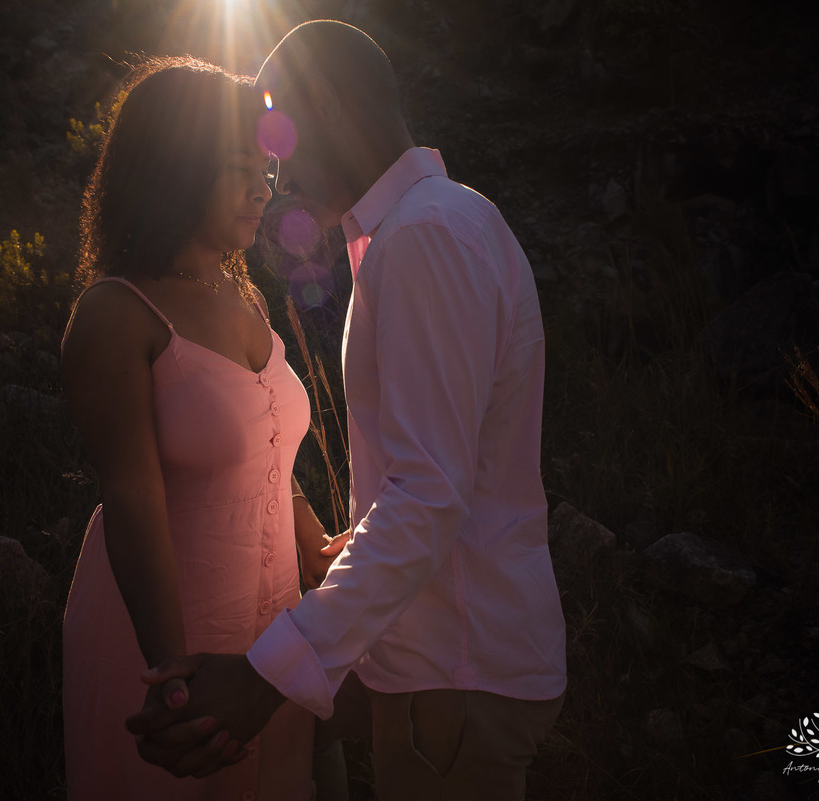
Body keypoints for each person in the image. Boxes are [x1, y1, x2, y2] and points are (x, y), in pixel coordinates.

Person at [130, 20, 567, 801]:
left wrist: (268, 675)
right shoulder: (437, 221)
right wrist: (358, 545)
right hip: (455, 666)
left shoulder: (424, 239)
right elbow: (442, 474)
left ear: (325, 105)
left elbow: (431, 496)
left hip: (457, 675)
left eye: (277, 133)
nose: (274, 169)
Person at [60, 54, 343, 801]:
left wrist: (310, 531)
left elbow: (265, 447)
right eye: (236, 168)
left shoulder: (240, 290)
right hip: (171, 628)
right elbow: (131, 496)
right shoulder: (117, 313)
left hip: (269, 631)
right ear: (175, 168)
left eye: (267, 171)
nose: (262, 189)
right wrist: (172, 676)